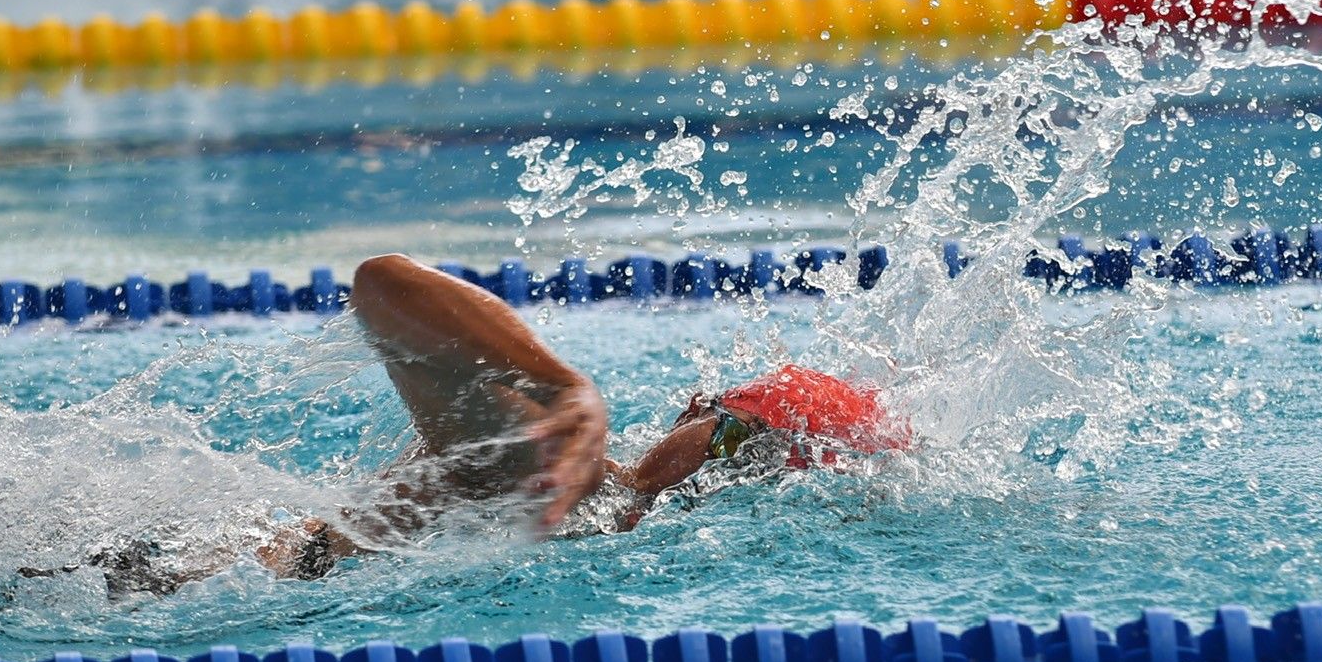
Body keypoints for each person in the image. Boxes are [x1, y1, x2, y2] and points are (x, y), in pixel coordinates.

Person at [251, 252, 909, 577]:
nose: (721, 456)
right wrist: (564, 389)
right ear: (691, 410)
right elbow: (381, 285)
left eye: (754, 452)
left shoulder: (576, 493)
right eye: (730, 429)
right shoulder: (569, 473)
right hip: (235, 576)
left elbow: (381, 286)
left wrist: (564, 393)